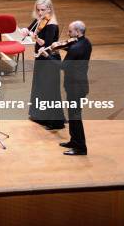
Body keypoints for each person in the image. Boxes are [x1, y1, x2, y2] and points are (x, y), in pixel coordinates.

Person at [39, 21, 92, 156]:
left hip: (75, 87)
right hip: (80, 84)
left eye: (70, 31)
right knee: (73, 115)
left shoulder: (75, 49)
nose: (68, 34)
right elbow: (73, 46)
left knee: (75, 117)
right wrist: (61, 47)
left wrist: (48, 55)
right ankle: (74, 141)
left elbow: (63, 66)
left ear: (77, 32)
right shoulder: (86, 43)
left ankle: (80, 147)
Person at [19, 0, 65, 130]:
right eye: (38, 10)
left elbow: (47, 44)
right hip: (41, 58)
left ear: (49, 9)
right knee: (40, 87)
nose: (40, 13)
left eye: (43, 10)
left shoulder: (52, 25)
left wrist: (36, 38)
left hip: (49, 59)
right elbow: (29, 29)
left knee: (50, 90)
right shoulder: (40, 20)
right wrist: (25, 31)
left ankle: (55, 121)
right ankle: (41, 116)